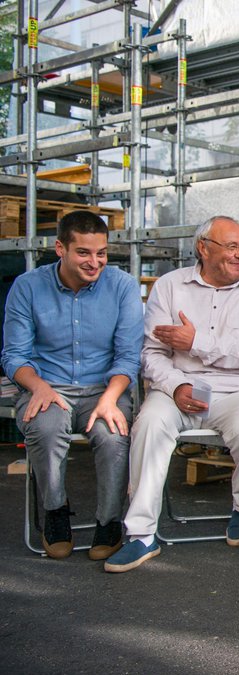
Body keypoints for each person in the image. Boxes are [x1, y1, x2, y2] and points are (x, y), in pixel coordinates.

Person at [104, 216, 239, 573]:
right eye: (232, 247)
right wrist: (177, 386)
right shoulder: (169, 286)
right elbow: (152, 353)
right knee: (149, 425)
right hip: (178, 387)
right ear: (203, 248)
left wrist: (196, 342)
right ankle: (140, 535)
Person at [2, 210, 143, 560]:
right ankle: (55, 513)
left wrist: (111, 398)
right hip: (48, 387)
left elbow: (128, 357)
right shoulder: (28, 286)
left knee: (114, 436)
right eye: (83, 252)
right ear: (60, 248)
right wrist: (38, 387)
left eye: (101, 253)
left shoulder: (122, 286)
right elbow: (13, 355)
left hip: (104, 388)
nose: (94, 262)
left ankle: (109, 521)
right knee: (46, 430)